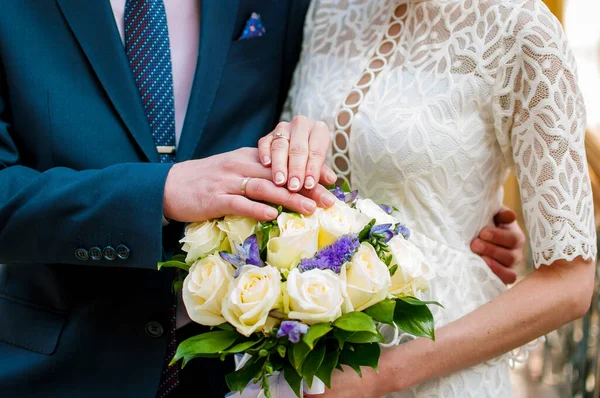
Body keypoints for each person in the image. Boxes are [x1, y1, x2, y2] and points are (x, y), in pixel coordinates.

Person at [0, 1, 525, 397]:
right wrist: (159, 192)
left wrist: (454, 212)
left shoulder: (294, 4)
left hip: (250, 375)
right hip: (53, 367)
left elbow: (348, 113)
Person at [266, 0, 597, 397]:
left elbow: (570, 283)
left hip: (437, 371)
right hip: (303, 358)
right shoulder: (327, 11)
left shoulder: (523, 29)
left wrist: (379, 377)